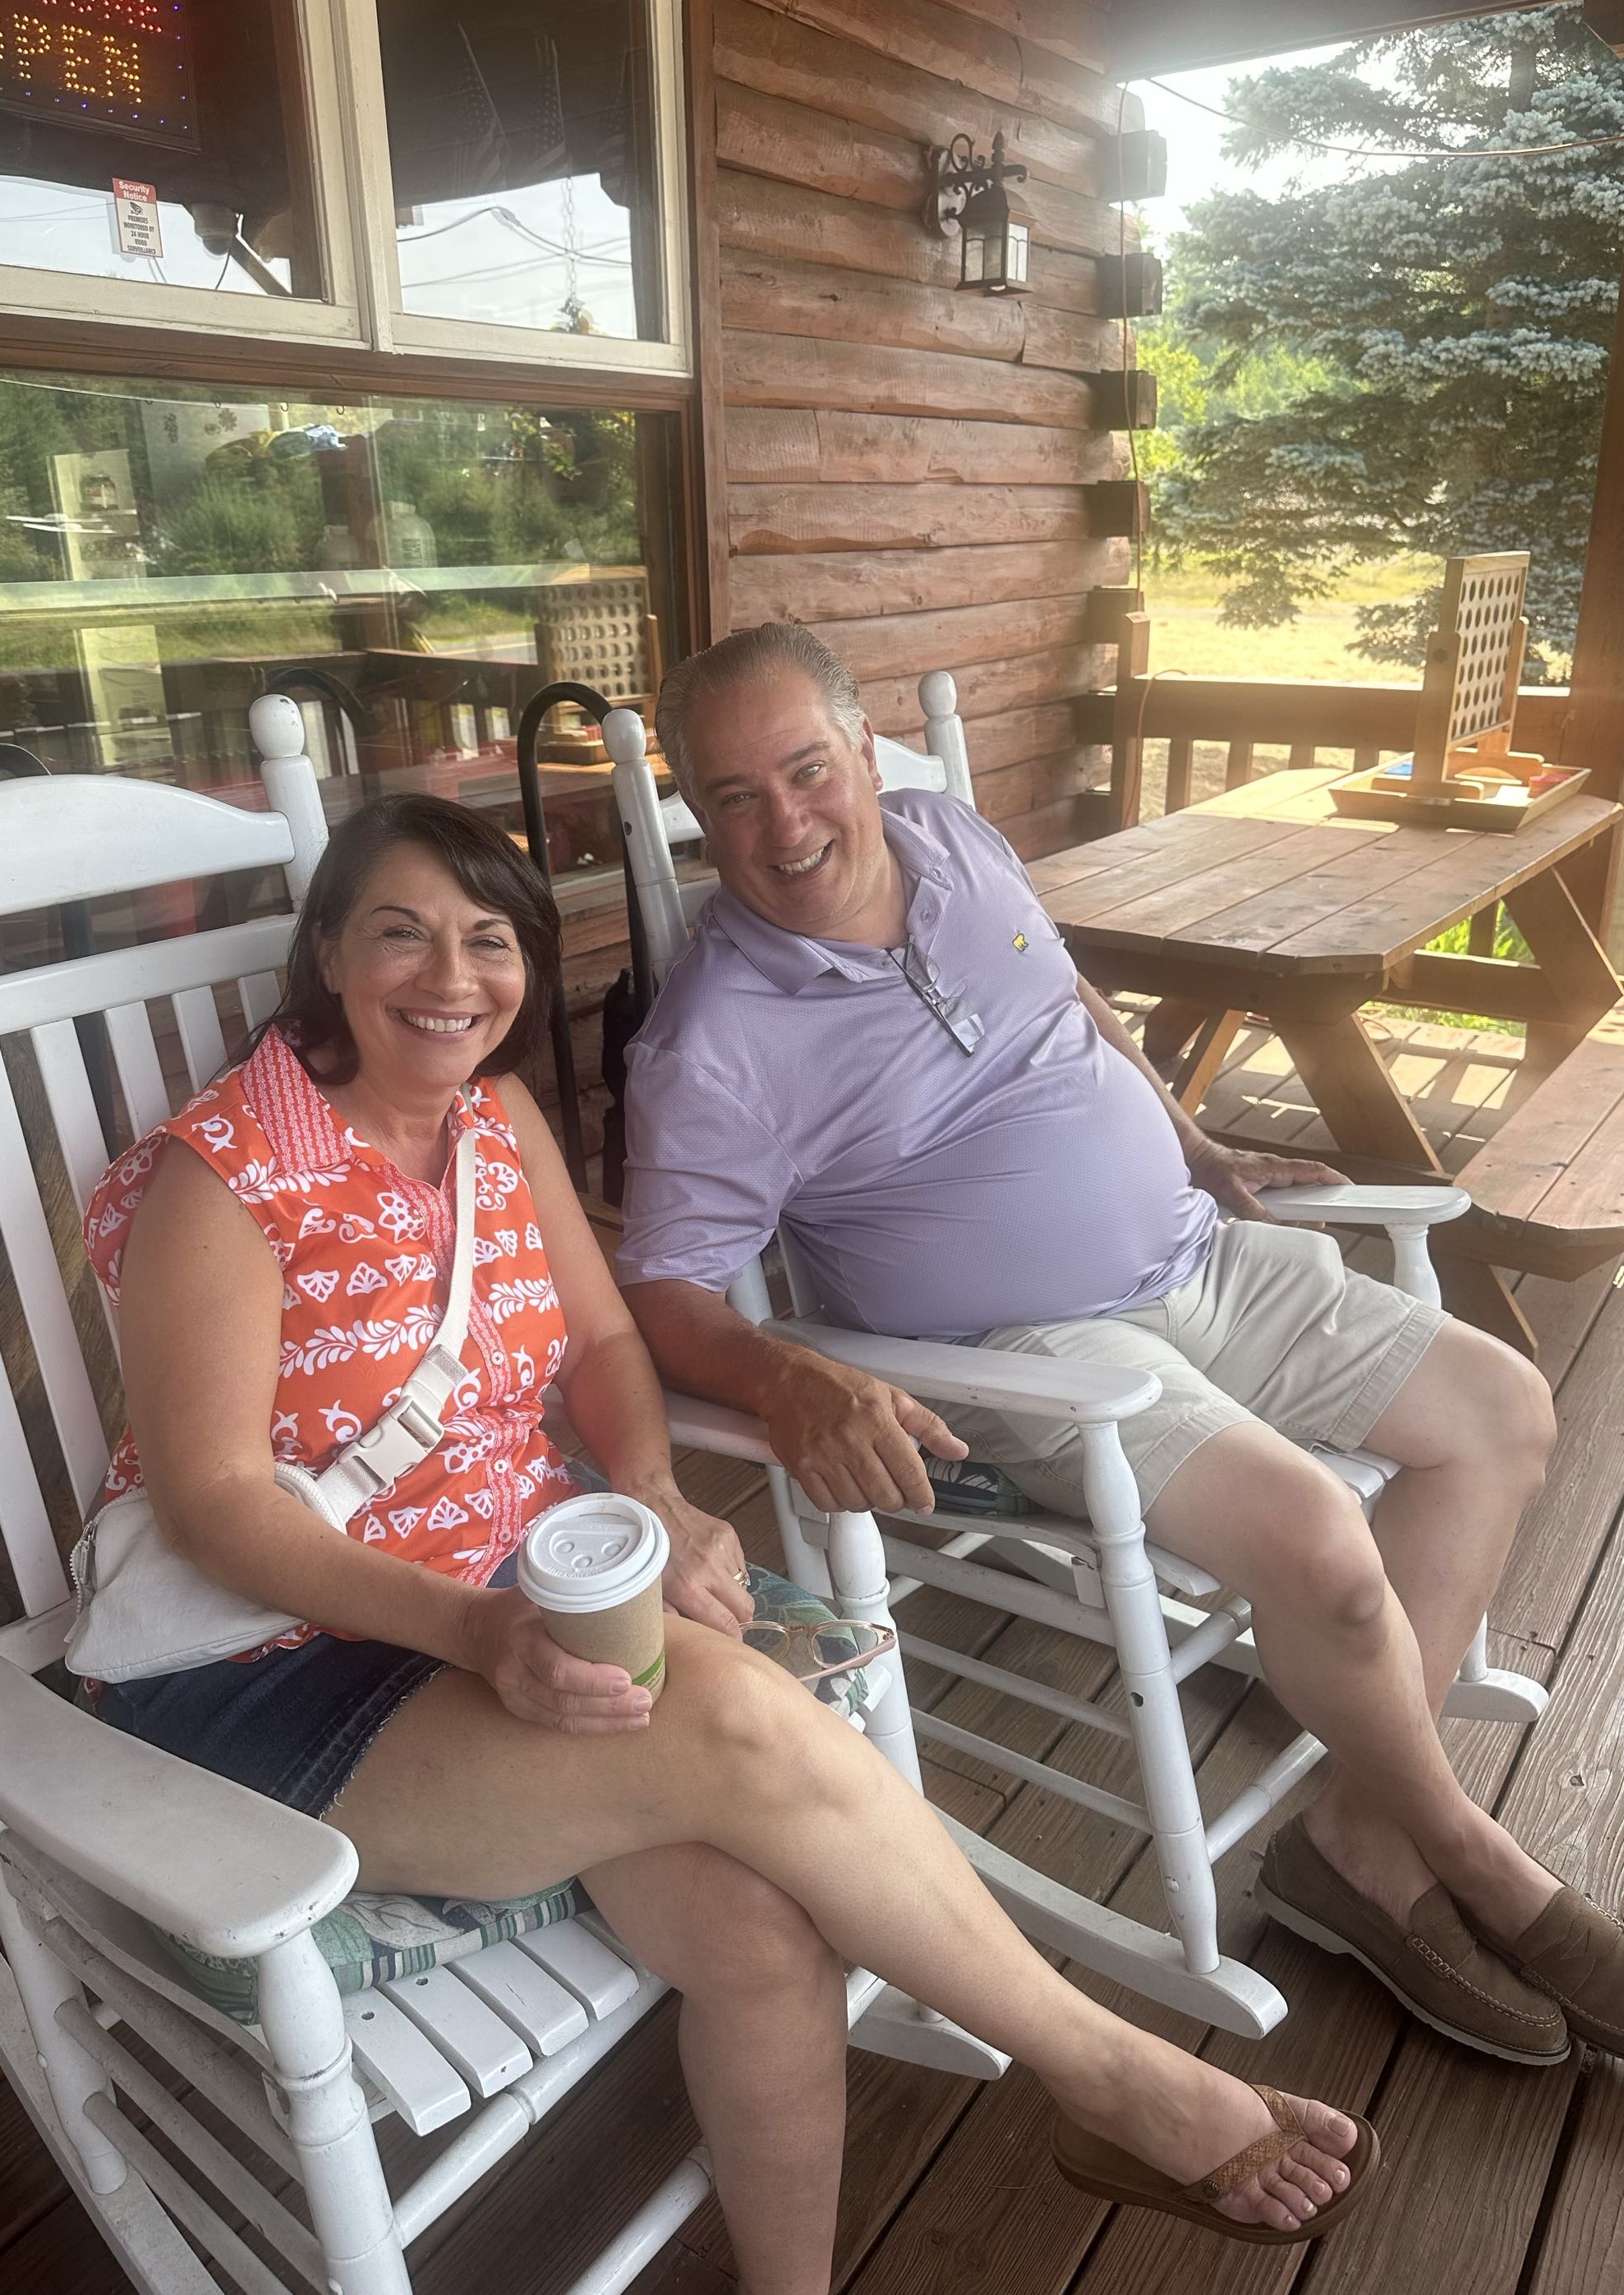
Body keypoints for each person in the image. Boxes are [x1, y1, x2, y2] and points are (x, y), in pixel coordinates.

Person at [81, 792, 1378, 2295]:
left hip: (511, 1600)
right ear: (326, 954)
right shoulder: (224, 1172)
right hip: (279, 1670)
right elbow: (216, 1501)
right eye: (401, 934)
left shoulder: (496, 1124)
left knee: (768, 1934)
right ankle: (1110, 2075)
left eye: (488, 941)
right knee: (743, 1726)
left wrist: (658, 1500)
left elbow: (606, 1343)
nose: (452, 978)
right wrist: (480, 1632)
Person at [617, 621, 1624, 2081]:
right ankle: (1478, 1856)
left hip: (1201, 1250)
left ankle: (1357, 1837)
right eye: (732, 798)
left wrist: (1198, 1140)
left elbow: (1067, 1001)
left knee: (1503, 1404)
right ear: (696, 811)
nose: (784, 825)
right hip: (1036, 1354)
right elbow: (660, 1292)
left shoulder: (952, 835)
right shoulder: (712, 1042)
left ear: (863, 750)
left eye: (806, 769)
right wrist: (792, 1373)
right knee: (1320, 1543)